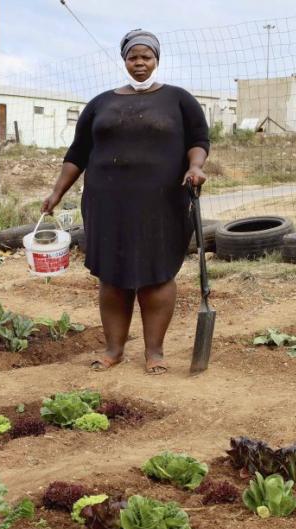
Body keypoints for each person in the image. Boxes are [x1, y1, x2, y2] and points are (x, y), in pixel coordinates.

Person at [41, 29, 210, 375]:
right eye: (134, 57)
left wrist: (195, 167)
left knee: (158, 274)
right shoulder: (101, 103)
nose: (140, 63)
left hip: (161, 201)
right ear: (124, 61)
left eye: (146, 57)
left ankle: (155, 353)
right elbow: (78, 153)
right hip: (107, 203)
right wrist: (57, 191)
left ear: (157, 60)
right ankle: (113, 350)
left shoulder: (179, 100)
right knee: (113, 276)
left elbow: (198, 139)